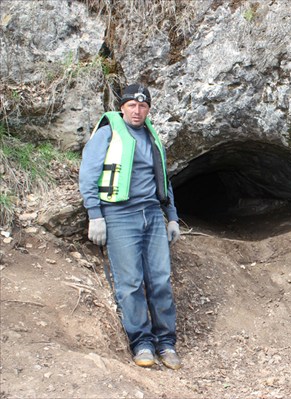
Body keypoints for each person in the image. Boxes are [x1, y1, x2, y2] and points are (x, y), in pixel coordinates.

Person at [79, 83, 183, 369]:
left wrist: (171, 216)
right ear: (122, 107)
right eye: (132, 106)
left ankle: (166, 342)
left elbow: (164, 179)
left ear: (148, 108)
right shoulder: (107, 133)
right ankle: (142, 343)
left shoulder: (151, 136)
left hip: (151, 214)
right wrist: (95, 214)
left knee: (160, 280)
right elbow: (88, 174)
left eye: (143, 106)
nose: (137, 111)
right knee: (131, 283)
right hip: (120, 215)